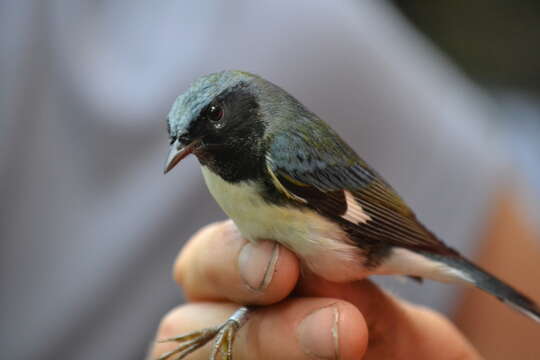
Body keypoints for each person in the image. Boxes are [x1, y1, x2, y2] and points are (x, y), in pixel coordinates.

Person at [1, 1, 539, 359]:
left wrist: (416, 245)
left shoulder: (283, 151)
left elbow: (359, 208)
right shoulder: (217, 170)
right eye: (180, 140)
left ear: (240, 108)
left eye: (208, 121)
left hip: (368, 237)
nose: (190, 146)